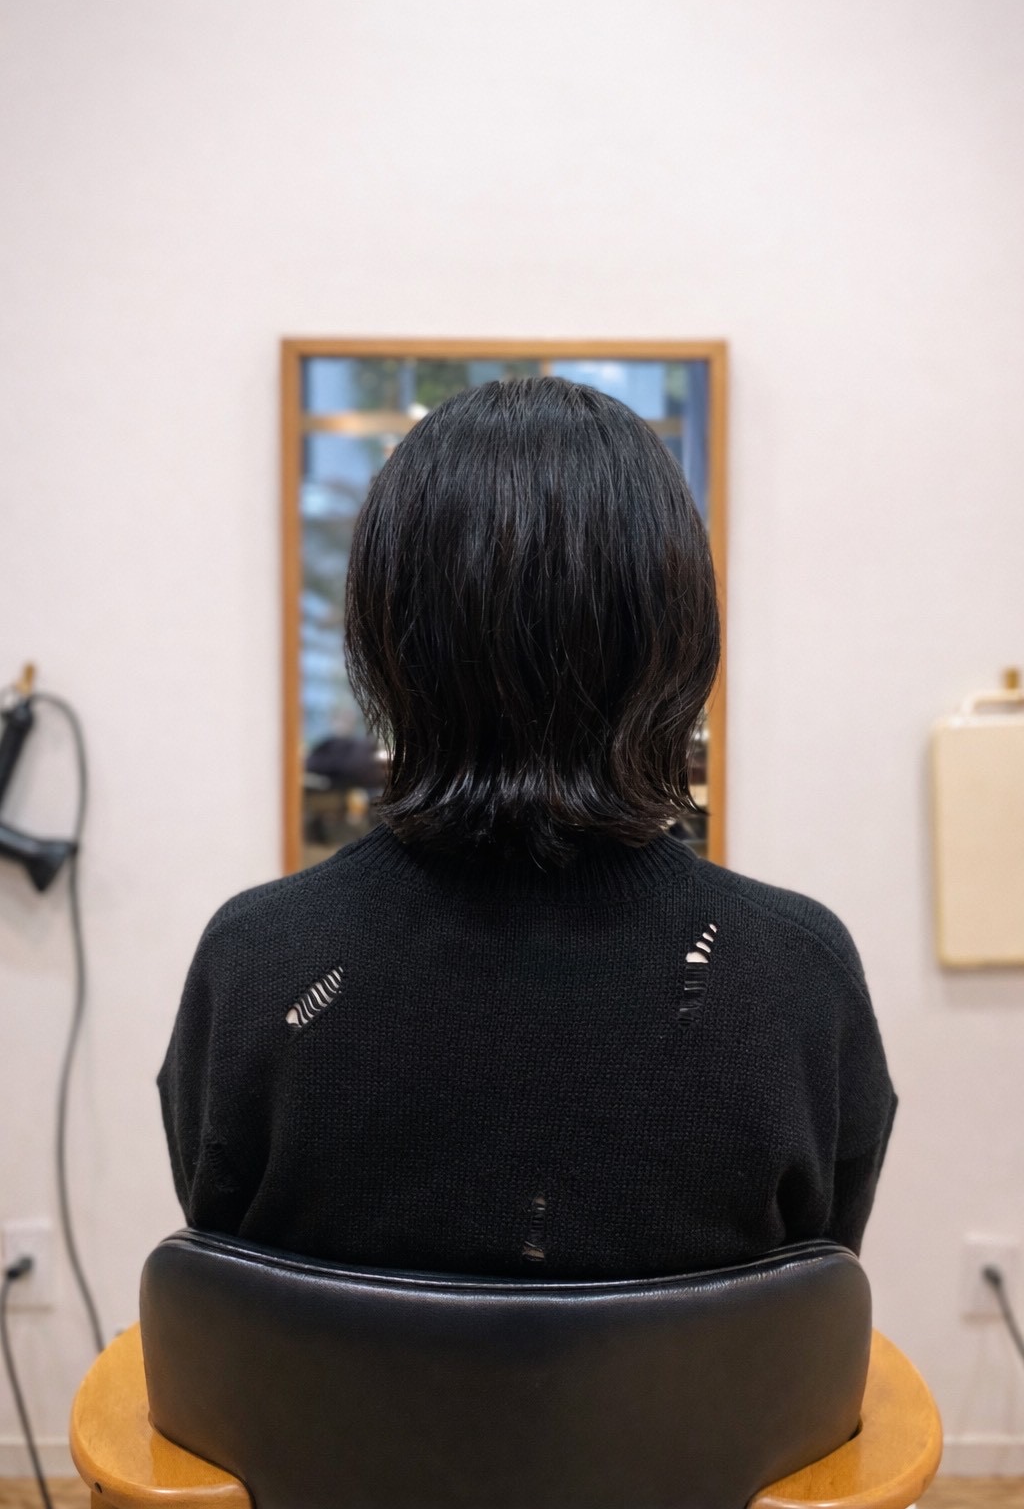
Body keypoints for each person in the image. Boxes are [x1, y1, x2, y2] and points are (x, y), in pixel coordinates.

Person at [158, 377, 896, 1277]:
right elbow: (813, 1289)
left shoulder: (256, 962)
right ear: (676, 633)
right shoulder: (796, 975)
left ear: (386, 631)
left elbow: (231, 1272)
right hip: (689, 1389)